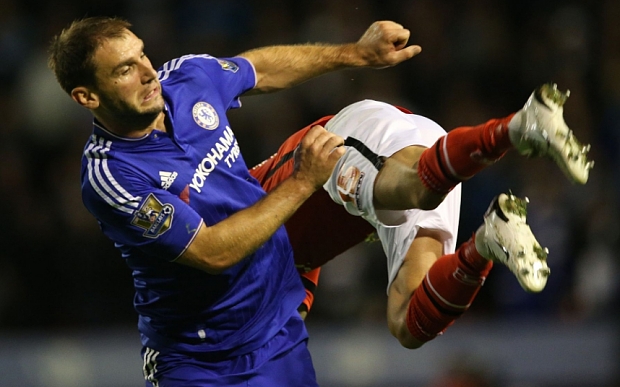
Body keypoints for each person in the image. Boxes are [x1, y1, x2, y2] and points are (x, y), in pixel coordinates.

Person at [47, 16, 421, 387]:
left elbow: (257, 70)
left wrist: (354, 53)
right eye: (125, 69)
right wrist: (304, 180)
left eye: (142, 55)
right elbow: (212, 252)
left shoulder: (187, 78)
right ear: (87, 96)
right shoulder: (111, 175)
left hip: (278, 335)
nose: (148, 73)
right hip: (203, 362)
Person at [250, 84, 593, 347]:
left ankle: (516, 127)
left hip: (345, 139)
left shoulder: (233, 206)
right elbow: (278, 332)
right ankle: (486, 244)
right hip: (408, 167)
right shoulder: (285, 281)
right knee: (406, 324)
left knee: (418, 190)